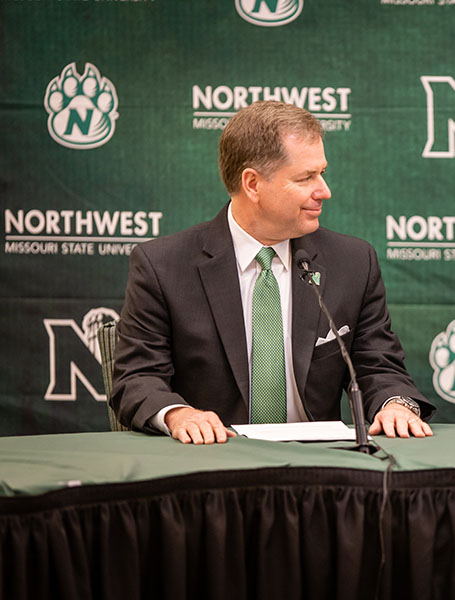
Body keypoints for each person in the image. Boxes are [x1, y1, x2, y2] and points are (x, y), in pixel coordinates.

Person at [112, 101, 434, 443]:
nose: (324, 191)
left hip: (320, 469)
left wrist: (396, 404)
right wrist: (179, 414)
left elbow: (378, 365)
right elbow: (137, 378)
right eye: (306, 177)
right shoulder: (163, 265)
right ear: (252, 184)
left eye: (322, 173)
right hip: (211, 464)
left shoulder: (353, 261)